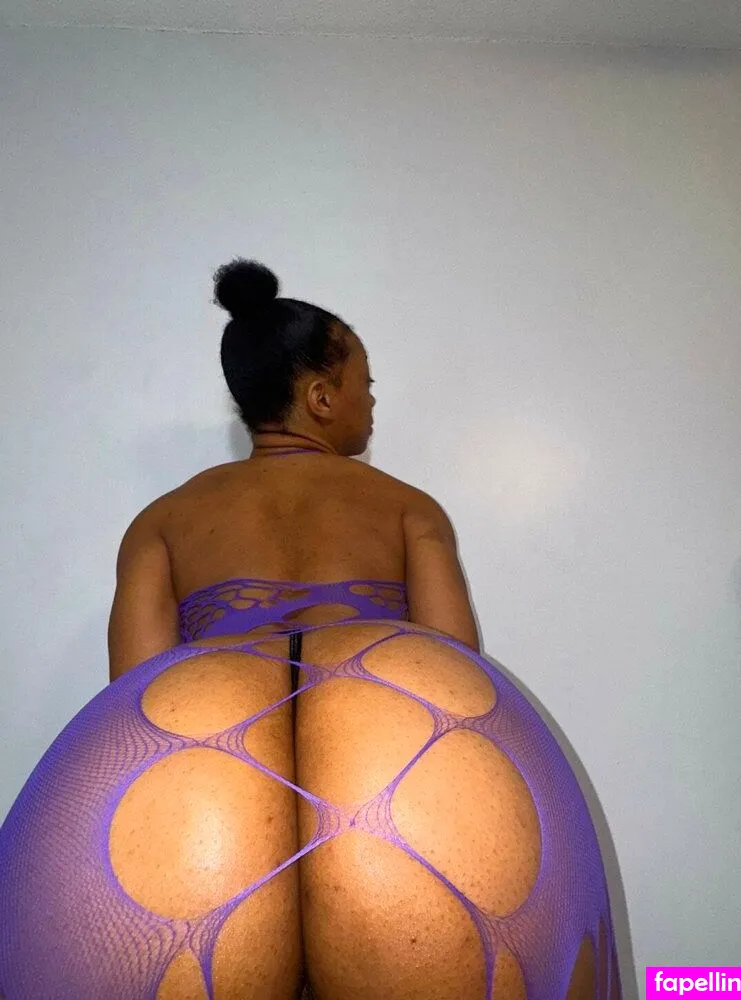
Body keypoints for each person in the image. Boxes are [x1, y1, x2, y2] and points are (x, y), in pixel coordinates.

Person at [0, 261, 620, 1000]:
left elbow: (136, 706)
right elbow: (458, 678)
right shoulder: (409, 508)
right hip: (400, 737)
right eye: (366, 383)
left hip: (202, 746)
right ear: (322, 398)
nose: (373, 400)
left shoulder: (159, 521)